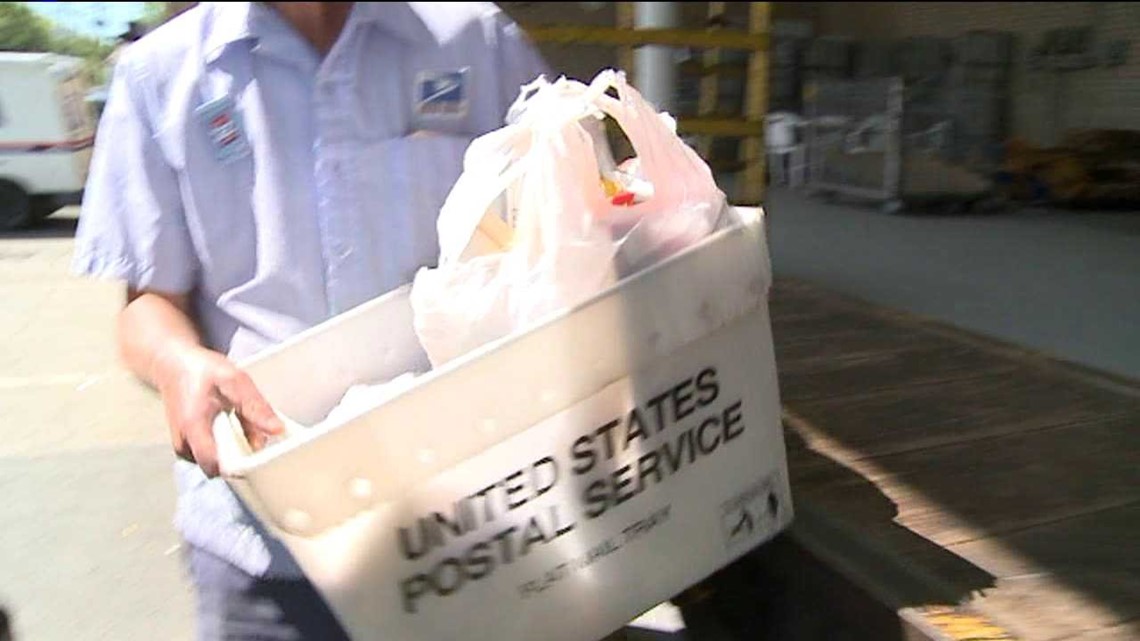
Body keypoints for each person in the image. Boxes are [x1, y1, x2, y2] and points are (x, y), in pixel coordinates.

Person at [72, 3, 549, 639]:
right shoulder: (160, 76)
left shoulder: (475, 40)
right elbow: (149, 303)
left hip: (479, 522)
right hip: (265, 544)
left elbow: (565, 216)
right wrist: (175, 362)